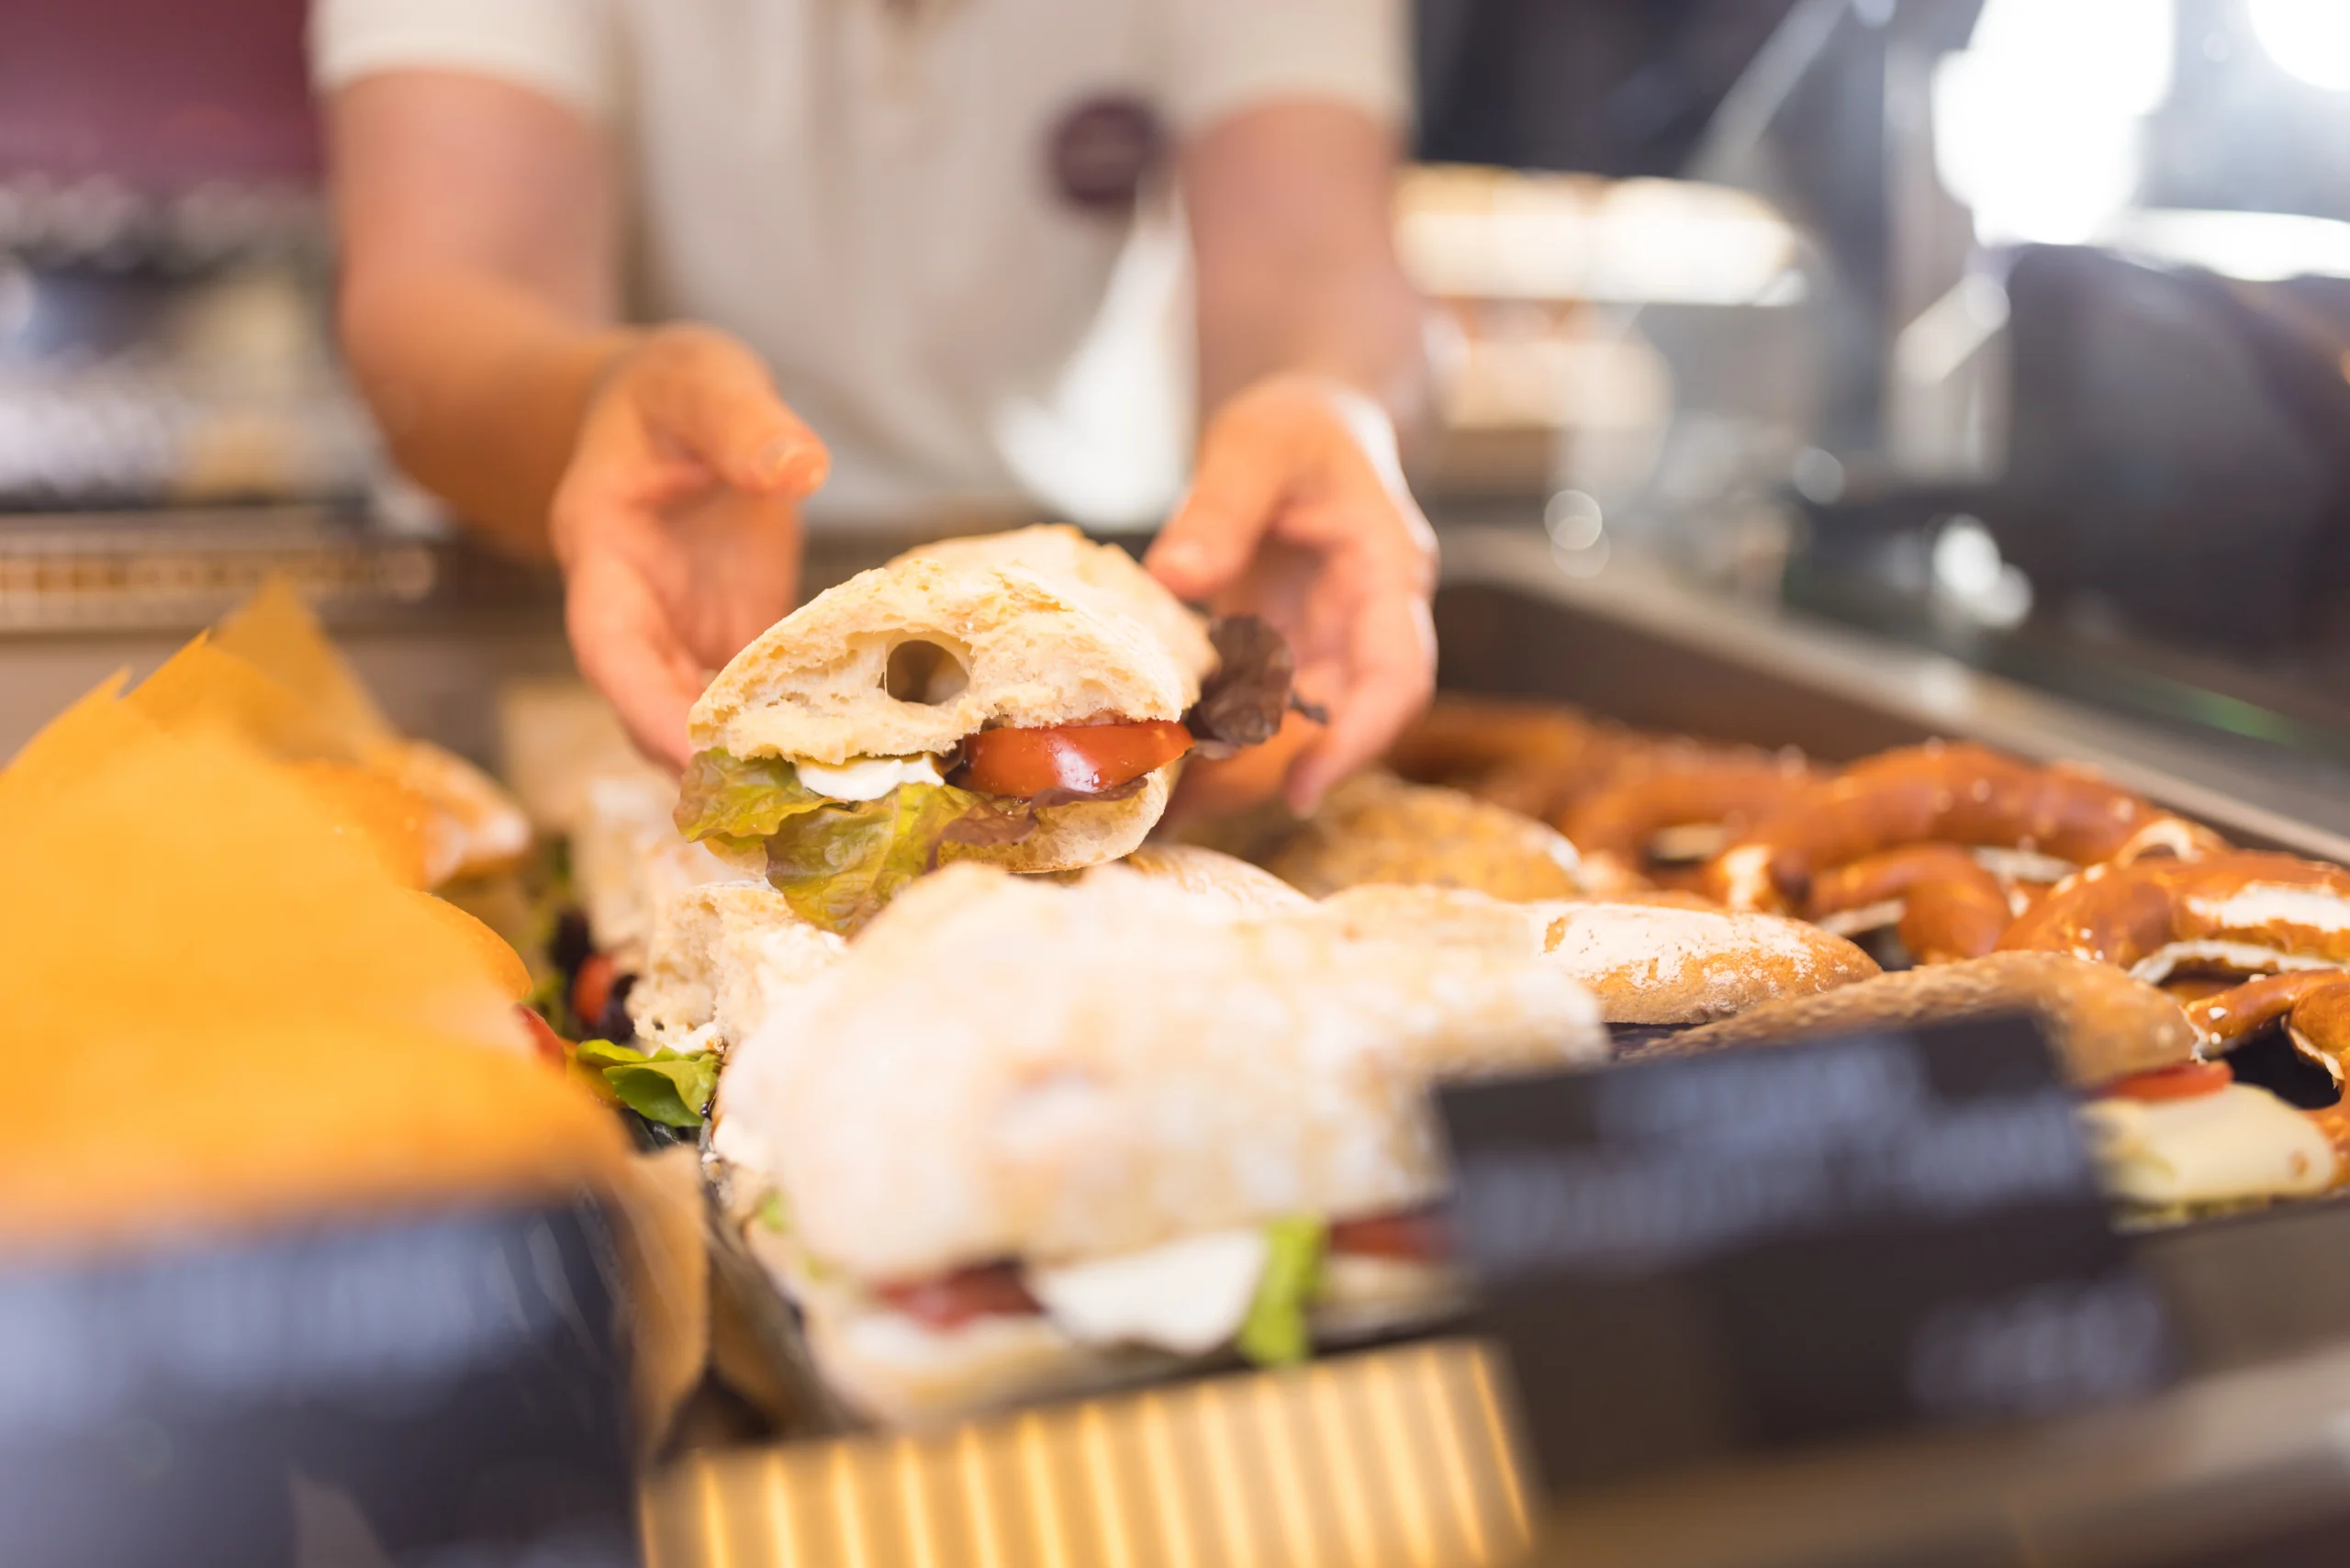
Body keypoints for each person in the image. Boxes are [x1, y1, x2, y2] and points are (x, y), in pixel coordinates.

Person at [314, 0, 1438, 812]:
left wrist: (1327, 404)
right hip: (605, 614)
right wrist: (599, 404)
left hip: (1102, 585)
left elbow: (1315, 263)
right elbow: (450, 288)